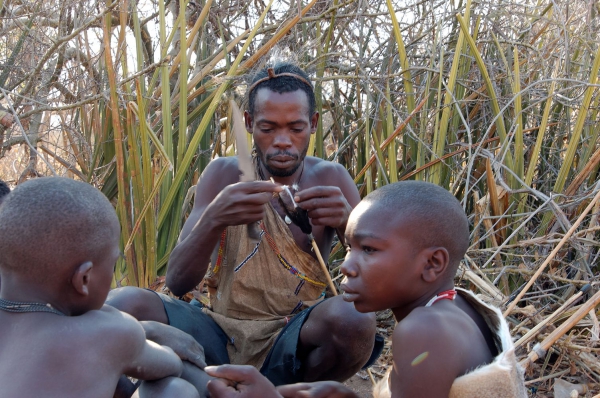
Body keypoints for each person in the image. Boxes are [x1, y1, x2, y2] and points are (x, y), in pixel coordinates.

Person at [107, 62, 379, 388]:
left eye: (295, 128)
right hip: (214, 329)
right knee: (122, 306)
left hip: (292, 334)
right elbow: (179, 283)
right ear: (249, 123)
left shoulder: (331, 178)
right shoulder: (222, 175)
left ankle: (289, 395)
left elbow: (377, 281)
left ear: (314, 124)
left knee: (354, 321)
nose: (282, 141)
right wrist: (214, 217)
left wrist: (347, 221)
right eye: (268, 128)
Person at [204, 181, 528, 398]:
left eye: (369, 250)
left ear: (432, 264)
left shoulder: (424, 331)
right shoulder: (460, 309)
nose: (346, 266)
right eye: (348, 248)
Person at [0, 177, 200, 398]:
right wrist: (138, 335)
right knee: (176, 390)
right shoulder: (110, 331)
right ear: (84, 279)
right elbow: (171, 365)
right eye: (113, 264)